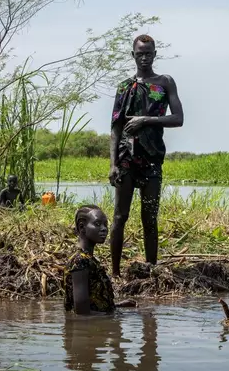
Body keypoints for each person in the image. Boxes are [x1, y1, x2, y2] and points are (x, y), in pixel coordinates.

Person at [108, 34, 184, 277]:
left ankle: (152, 271)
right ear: (133, 55)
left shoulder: (165, 82)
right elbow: (115, 128)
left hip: (152, 158)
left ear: (154, 54)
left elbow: (178, 118)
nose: (144, 57)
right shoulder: (124, 86)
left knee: (150, 219)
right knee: (120, 216)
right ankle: (116, 274)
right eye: (139, 53)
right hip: (126, 158)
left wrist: (145, 120)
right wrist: (113, 165)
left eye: (148, 53)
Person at [64, 205, 136, 314]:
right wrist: (118, 315)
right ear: (82, 227)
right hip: (87, 330)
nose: (104, 229)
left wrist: (116, 306)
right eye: (97, 224)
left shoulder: (88, 259)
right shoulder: (80, 261)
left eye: (105, 225)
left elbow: (90, 304)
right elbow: (81, 313)